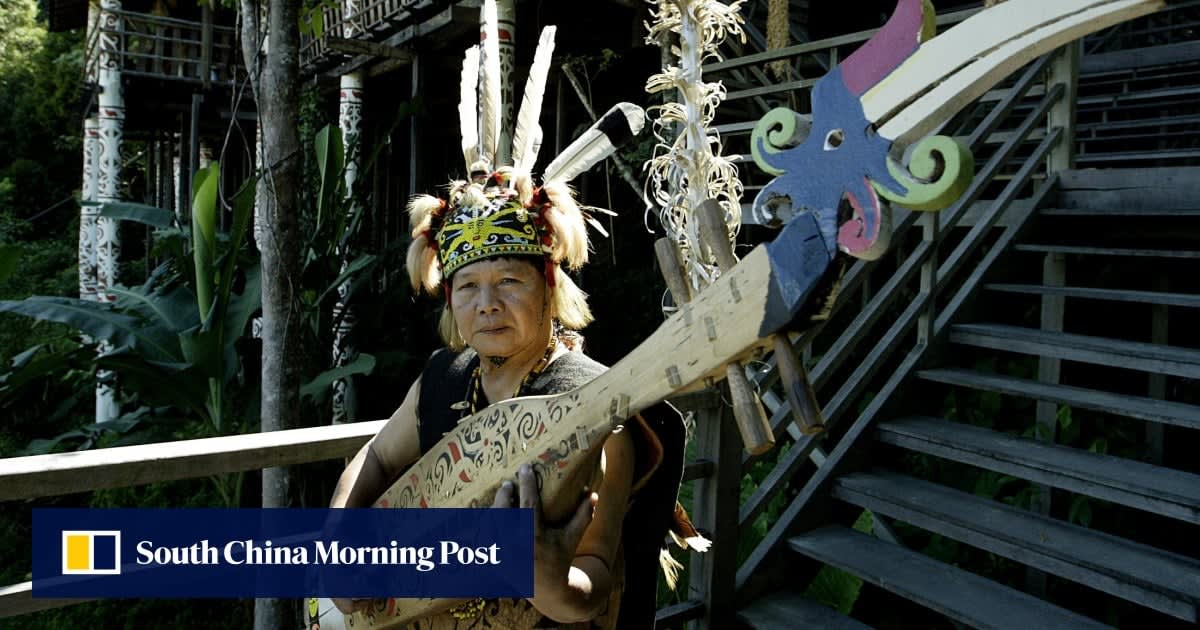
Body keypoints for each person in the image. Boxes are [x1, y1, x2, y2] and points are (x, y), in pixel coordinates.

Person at [327, 168, 690, 629]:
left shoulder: (595, 408)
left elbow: (595, 582)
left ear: (549, 286)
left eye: (510, 281)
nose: (487, 304)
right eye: (467, 286)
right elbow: (377, 456)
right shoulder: (444, 378)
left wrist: (550, 583)